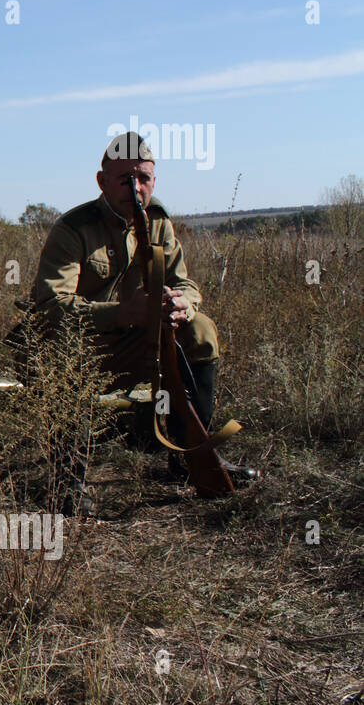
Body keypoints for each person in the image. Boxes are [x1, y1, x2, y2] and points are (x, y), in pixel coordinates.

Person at [20, 131, 257, 494]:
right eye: (125, 179)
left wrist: (183, 305)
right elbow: (52, 307)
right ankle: (68, 481)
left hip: (143, 339)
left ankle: (193, 455)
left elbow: (186, 284)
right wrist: (122, 313)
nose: (137, 188)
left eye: (143, 178)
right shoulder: (74, 229)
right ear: (102, 182)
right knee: (65, 355)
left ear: (154, 180)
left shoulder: (159, 221)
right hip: (88, 346)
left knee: (201, 331)